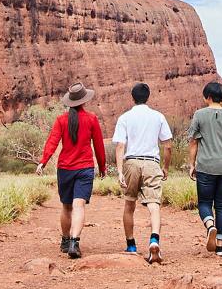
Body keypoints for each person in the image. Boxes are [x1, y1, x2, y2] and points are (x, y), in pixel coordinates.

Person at [36, 83, 107, 259]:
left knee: (67, 207)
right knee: (79, 205)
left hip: (65, 169)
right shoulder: (91, 119)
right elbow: (98, 145)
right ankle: (75, 242)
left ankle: (66, 241)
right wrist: (103, 167)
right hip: (85, 168)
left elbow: (52, 141)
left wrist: (43, 162)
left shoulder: (61, 120)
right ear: (84, 100)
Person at [111, 82, 173, 263]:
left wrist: (120, 171)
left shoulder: (125, 118)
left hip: (131, 162)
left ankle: (131, 245)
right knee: (154, 205)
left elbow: (120, 145)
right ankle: (154, 240)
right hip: (152, 163)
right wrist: (166, 167)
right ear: (148, 97)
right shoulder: (158, 117)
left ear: (133, 98)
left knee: (129, 204)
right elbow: (168, 145)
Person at [187, 80, 222, 257]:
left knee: (204, 203)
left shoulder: (199, 115)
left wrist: (191, 164)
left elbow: (193, 142)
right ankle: (220, 246)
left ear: (208, 97)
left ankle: (210, 225)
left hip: (206, 167)